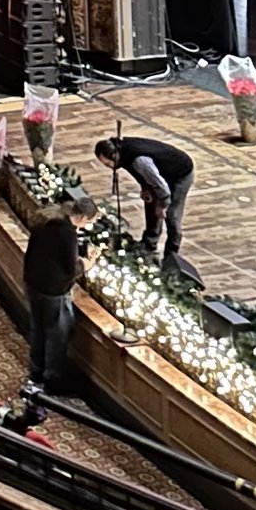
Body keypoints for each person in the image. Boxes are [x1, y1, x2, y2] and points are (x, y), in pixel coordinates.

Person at [93, 132, 196, 270]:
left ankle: (171, 257)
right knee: (151, 205)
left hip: (179, 175)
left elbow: (161, 187)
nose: (109, 167)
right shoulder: (123, 152)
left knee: (172, 216)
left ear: (115, 156)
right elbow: (143, 175)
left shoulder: (139, 160)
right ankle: (149, 244)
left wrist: (163, 205)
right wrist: (145, 189)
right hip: (160, 175)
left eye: (108, 163)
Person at [20, 205, 79, 414]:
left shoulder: (42, 223)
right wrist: (87, 264)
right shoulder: (68, 233)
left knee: (38, 328)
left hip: (33, 283)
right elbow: (71, 268)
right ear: (80, 217)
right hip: (53, 290)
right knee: (57, 333)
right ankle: (52, 379)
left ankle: (36, 371)